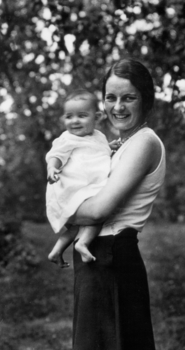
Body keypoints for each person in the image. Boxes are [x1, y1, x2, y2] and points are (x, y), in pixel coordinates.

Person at [59, 57, 166, 350]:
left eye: (128, 97)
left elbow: (102, 205)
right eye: (111, 97)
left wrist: (62, 209)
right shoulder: (118, 144)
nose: (118, 105)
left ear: (145, 100)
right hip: (108, 261)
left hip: (111, 264)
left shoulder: (143, 143)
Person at [46, 90, 111, 267]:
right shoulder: (67, 138)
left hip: (88, 188)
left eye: (82, 116)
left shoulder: (99, 137)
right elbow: (56, 154)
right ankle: (83, 243)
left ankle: (56, 251)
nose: (75, 121)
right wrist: (52, 167)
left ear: (96, 117)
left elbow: (100, 150)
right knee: (97, 217)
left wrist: (110, 147)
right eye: (69, 116)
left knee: (76, 226)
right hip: (74, 188)